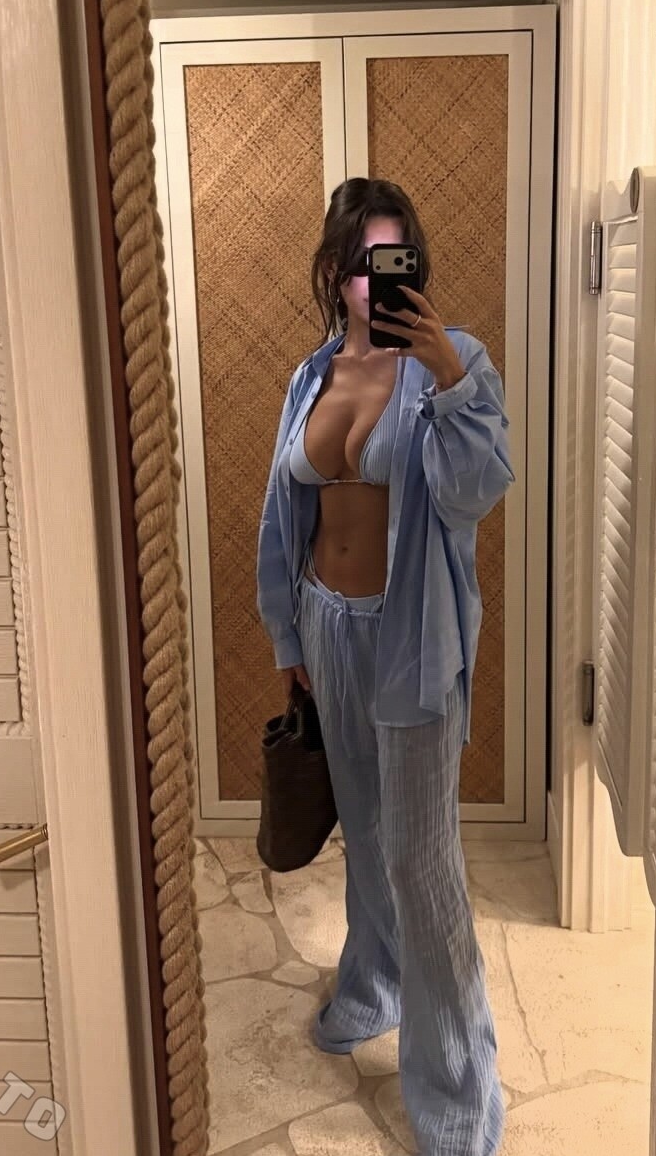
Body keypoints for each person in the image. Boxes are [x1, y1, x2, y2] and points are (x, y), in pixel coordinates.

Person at [256, 177, 513, 1156]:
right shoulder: (310, 376)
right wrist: (289, 638)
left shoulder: (456, 363)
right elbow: (285, 513)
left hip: (412, 636)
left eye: (394, 258)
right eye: (363, 262)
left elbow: (474, 491)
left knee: (421, 857)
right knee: (364, 832)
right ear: (336, 270)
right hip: (326, 626)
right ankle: (373, 984)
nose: (377, 280)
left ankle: (458, 1084)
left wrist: (449, 379)